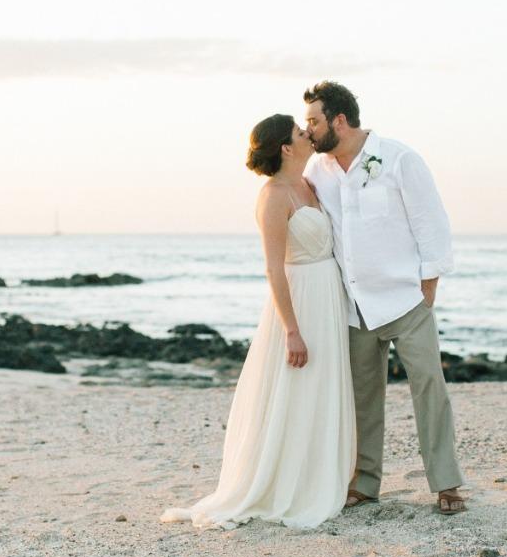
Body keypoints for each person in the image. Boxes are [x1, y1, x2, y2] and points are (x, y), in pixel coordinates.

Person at [160, 114, 356, 529]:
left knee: (320, 388)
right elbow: (274, 268)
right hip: (300, 300)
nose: (308, 134)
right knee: (294, 389)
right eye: (300, 132)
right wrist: (292, 330)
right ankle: (284, 486)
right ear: (286, 147)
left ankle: (318, 476)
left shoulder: (310, 184)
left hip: (327, 296)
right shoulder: (273, 196)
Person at [303, 81, 466, 515]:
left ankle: (446, 483)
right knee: (363, 398)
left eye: (314, 121)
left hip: (405, 301)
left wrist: (427, 287)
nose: (309, 130)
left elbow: (431, 222)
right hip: (354, 305)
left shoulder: (398, 159)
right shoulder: (317, 170)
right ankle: (364, 483)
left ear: (339, 120)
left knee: (429, 387)